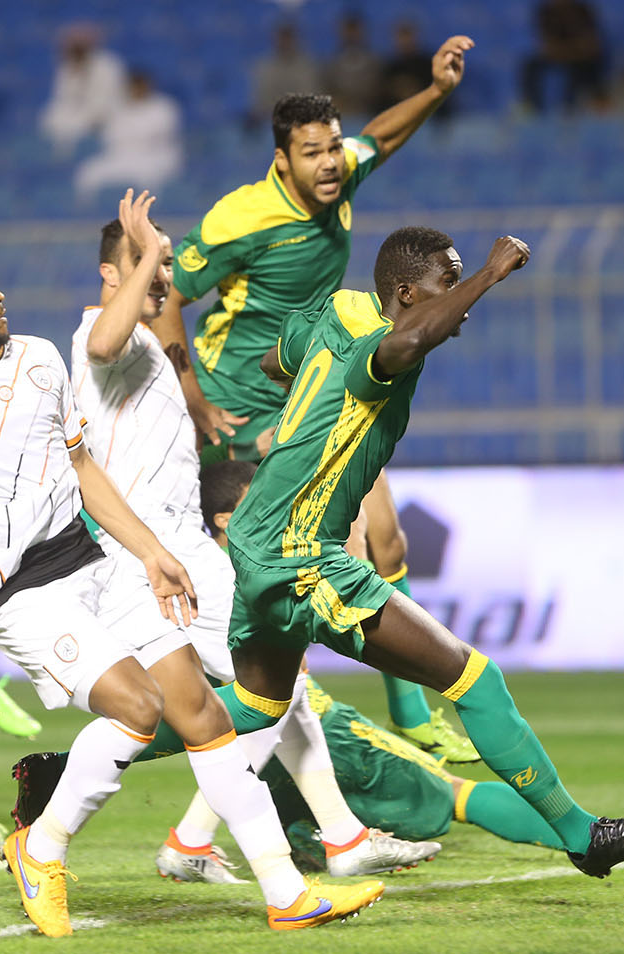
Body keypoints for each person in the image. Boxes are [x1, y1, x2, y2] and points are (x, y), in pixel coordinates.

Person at [0, 235, 383, 935]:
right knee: (139, 708)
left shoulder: (36, 359)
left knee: (203, 714)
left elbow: (83, 468)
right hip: (22, 596)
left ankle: (286, 893)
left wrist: (150, 552)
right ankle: (42, 847)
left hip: (95, 560)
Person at [212, 225, 624, 879]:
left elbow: (273, 362)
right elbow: (407, 341)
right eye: (445, 284)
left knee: (254, 705)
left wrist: (307, 411)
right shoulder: (383, 346)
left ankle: (90, 758)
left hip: (259, 545)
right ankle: (583, 836)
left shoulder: (338, 311)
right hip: (300, 554)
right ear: (405, 293)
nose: (456, 300)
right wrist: (489, 274)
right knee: (475, 680)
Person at [52, 190, 438, 881]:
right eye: (147, 263)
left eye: (167, 264)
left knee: (274, 680)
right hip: (147, 556)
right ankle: (105, 822)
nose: (165, 277)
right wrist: (149, 256)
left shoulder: (152, 351)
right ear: (111, 274)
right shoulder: (101, 337)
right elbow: (104, 343)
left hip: (178, 549)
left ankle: (329, 839)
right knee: (237, 690)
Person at [161, 40, 481, 762]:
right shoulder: (240, 219)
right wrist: (193, 398)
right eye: (313, 153)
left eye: (334, 147)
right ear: (283, 160)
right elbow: (170, 297)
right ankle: (266, 719)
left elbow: (383, 137)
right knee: (322, 553)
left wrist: (435, 90)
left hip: (315, 381)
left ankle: (408, 716)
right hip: (240, 405)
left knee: (387, 539)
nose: (331, 162)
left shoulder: (343, 172)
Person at [72, 70, 184, 203]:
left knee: (148, 177)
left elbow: (163, 139)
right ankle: (85, 209)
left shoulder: (163, 108)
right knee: (88, 172)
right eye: (133, 87)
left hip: (153, 157)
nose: (136, 90)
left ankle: (150, 210)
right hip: (120, 157)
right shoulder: (118, 108)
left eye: (140, 86)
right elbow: (108, 136)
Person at [39, 23, 128, 157]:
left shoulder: (107, 65)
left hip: (105, 114)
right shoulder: (66, 68)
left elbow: (112, 97)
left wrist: (96, 115)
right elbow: (62, 98)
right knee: (52, 118)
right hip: (77, 115)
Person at [520, 0, 609, 113]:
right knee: (530, 65)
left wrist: (569, 49)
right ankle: (532, 107)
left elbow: (591, 44)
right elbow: (548, 46)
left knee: (586, 66)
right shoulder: (547, 12)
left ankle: (572, 108)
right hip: (563, 55)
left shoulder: (583, 10)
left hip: (580, 59)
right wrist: (572, 49)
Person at [248, 24, 321, 129]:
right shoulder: (265, 67)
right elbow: (262, 100)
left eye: (288, 39)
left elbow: (310, 97)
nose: (285, 43)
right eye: (282, 39)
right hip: (271, 122)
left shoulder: (307, 66)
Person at [323, 13, 383, 118]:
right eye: (348, 30)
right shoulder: (333, 62)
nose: (351, 34)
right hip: (342, 111)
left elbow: (376, 87)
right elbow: (329, 87)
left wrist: (359, 100)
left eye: (354, 30)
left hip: (367, 111)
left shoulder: (373, 60)